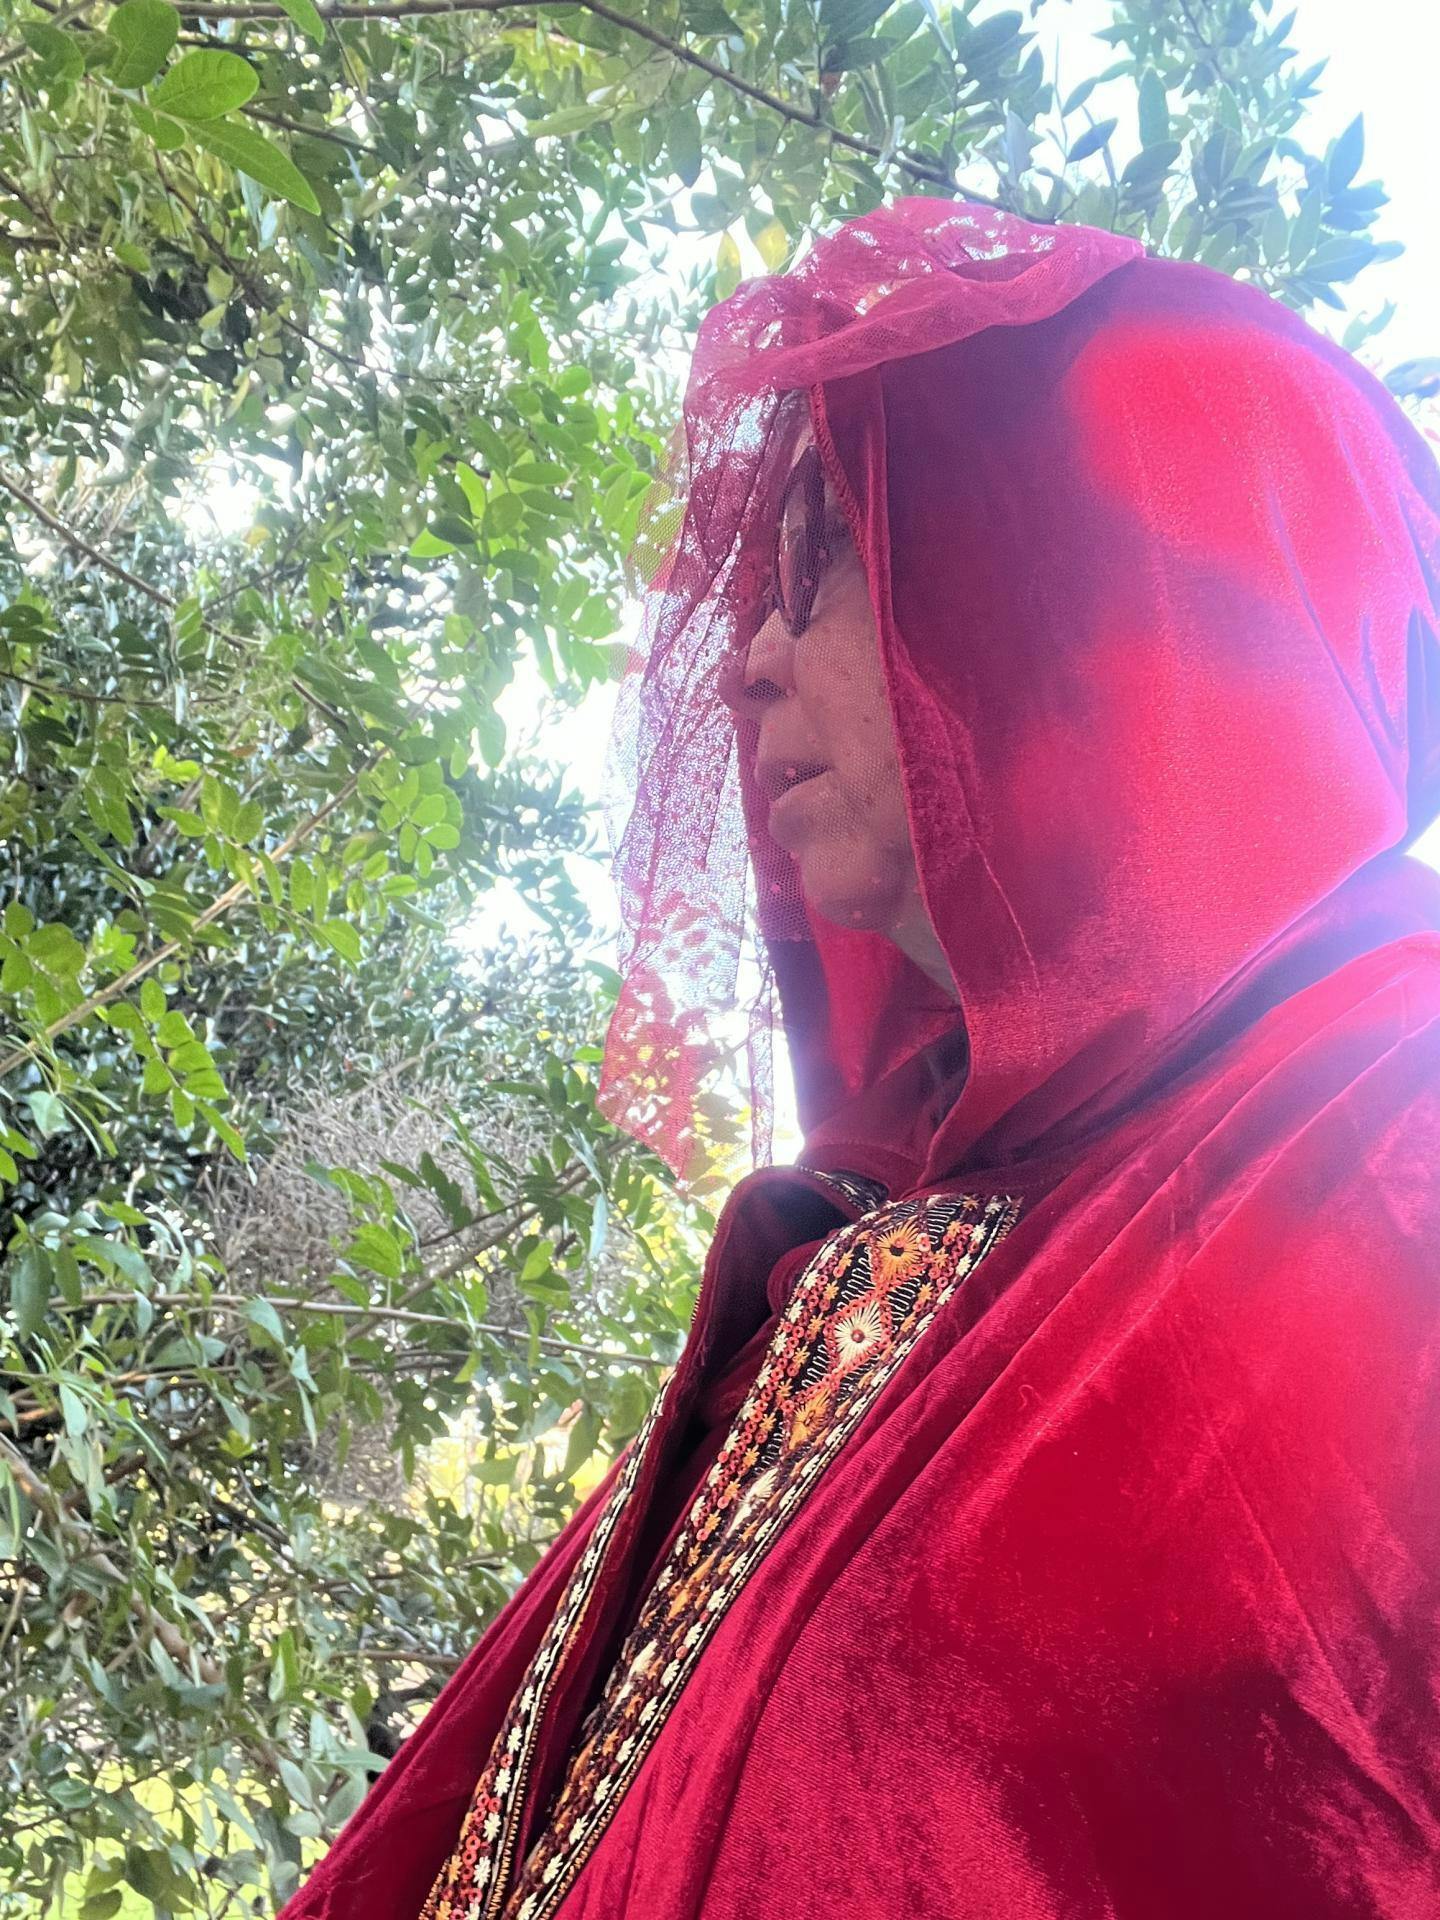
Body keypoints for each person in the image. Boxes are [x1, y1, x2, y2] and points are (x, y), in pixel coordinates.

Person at [277, 198, 1440, 1920]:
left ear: (1069, 596)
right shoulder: (885, 1226)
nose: (745, 665)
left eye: (830, 561)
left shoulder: (1390, 1126)